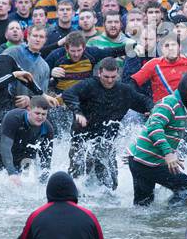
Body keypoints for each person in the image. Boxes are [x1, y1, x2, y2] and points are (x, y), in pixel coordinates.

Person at [62, 57, 152, 191]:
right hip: (82, 139)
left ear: (118, 74)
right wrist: (78, 112)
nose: (109, 80)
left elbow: (144, 100)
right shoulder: (89, 85)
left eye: (113, 77)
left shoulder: (124, 90)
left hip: (106, 142)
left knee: (110, 183)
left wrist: (151, 110)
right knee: (77, 178)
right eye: (106, 77)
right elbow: (68, 94)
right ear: (99, 73)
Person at [126, 70, 187, 206]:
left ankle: (151, 224)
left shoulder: (184, 105)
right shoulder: (170, 103)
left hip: (139, 158)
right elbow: (154, 127)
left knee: (143, 206)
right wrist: (168, 153)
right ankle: (171, 220)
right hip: (145, 160)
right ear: (182, 89)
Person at [0, 97, 55, 182]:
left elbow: (46, 160)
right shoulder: (13, 117)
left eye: (44, 114)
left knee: (23, 183)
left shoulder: (48, 128)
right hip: (3, 153)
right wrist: (12, 173)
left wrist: (44, 182)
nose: (40, 117)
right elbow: (5, 148)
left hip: (26, 156)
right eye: (37, 113)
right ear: (28, 110)